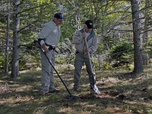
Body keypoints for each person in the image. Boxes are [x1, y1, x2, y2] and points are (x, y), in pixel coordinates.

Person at [38, 12, 64, 95]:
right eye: (60, 20)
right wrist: (44, 46)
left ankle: (51, 88)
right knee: (46, 70)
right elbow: (40, 38)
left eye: (61, 20)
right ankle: (44, 90)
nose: (61, 22)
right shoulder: (48, 26)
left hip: (52, 49)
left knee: (51, 69)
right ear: (55, 19)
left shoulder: (57, 27)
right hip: (46, 49)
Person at [72, 20, 100, 94]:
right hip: (79, 54)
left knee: (91, 71)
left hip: (88, 55)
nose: (89, 29)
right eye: (88, 27)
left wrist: (90, 49)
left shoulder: (93, 34)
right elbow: (75, 41)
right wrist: (82, 37)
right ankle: (76, 86)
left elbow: (95, 45)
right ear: (85, 26)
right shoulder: (79, 32)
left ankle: (93, 86)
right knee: (77, 71)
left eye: (90, 28)